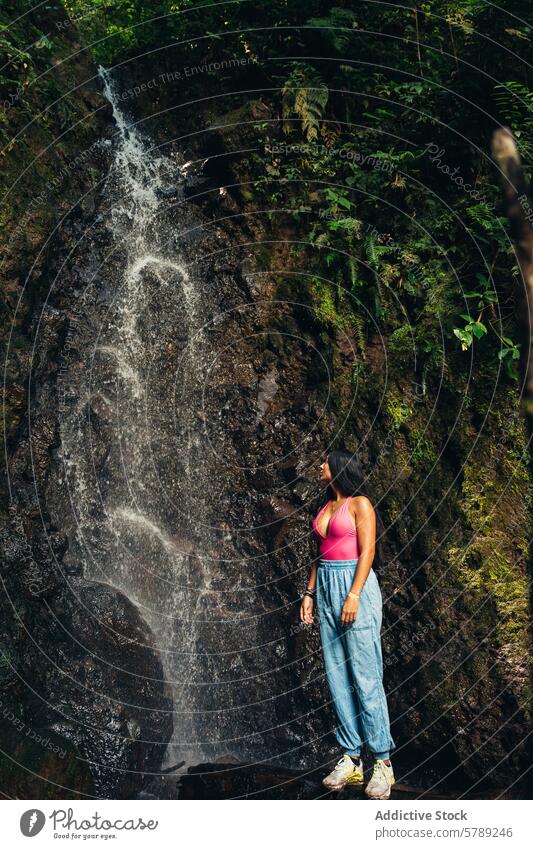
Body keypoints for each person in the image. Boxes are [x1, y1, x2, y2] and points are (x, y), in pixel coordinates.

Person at [300, 449, 396, 798]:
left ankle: (382, 764)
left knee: (366, 676)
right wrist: (309, 593)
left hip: (354, 585)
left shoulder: (360, 504)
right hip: (325, 586)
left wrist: (354, 594)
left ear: (339, 467)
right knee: (337, 675)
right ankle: (352, 758)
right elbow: (319, 553)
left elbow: (367, 551)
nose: (320, 466)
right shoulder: (325, 507)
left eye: (324, 462)